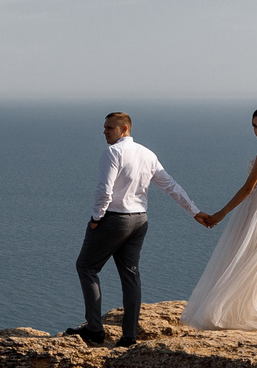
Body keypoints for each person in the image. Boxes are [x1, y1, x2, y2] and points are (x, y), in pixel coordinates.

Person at [75, 111, 199, 345]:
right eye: (104, 127)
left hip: (114, 220)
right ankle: (129, 336)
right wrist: (194, 211)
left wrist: (96, 218)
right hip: (139, 220)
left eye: (109, 128)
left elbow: (105, 190)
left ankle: (94, 330)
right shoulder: (147, 154)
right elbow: (170, 186)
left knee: (86, 267)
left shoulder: (112, 152)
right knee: (131, 276)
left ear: (124, 129)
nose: (104, 131)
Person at [185, 107, 257, 331]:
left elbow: (248, 188)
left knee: (243, 254)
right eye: (254, 126)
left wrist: (221, 213)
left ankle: (241, 311)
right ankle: (252, 307)